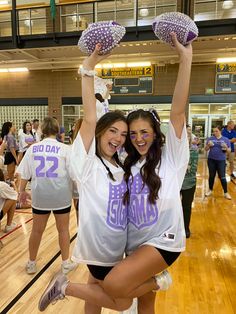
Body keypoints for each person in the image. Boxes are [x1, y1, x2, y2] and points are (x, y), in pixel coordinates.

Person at [39, 32, 192, 314]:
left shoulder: (171, 158)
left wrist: (186, 59)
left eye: (141, 132)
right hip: (126, 245)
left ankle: (154, 280)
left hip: (162, 241)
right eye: (128, 133)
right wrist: (87, 69)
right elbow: (89, 118)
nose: (135, 138)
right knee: (137, 302)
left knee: (116, 290)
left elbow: (178, 113)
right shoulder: (122, 165)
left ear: (156, 133)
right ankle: (155, 282)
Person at [17, 117, 76, 275]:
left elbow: (24, 174)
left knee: (36, 231)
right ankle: (65, 263)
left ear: (41, 130)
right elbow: (74, 175)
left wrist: (21, 192)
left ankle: (31, 263)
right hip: (61, 196)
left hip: (40, 196)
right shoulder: (65, 149)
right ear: (58, 130)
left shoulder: (33, 149)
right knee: (63, 230)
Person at [180, 125, 199, 238]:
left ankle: (186, 228)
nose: (187, 136)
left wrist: (183, 168)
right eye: (184, 134)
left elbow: (193, 169)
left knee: (186, 207)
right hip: (176, 184)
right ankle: (176, 228)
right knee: (174, 208)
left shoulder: (194, 150)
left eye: (188, 134)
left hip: (189, 183)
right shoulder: (174, 150)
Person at [205, 126, 231, 199]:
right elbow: (205, 149)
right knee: (211, 176)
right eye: (214, 131)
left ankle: (226, 192)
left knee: (222, 176)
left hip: (221, 160)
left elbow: (229, 151)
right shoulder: (210, 139)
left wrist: (226, 146)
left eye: (216, 131)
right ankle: (210, 190)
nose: (215, 133)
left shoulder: (225, 139)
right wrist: (208, 145)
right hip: (211, 160)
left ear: (220, 131)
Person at [0, 169, 18, 233]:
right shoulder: (2, 184)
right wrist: (15, 183)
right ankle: (9, 225)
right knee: (13, 198)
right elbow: (16, 195)